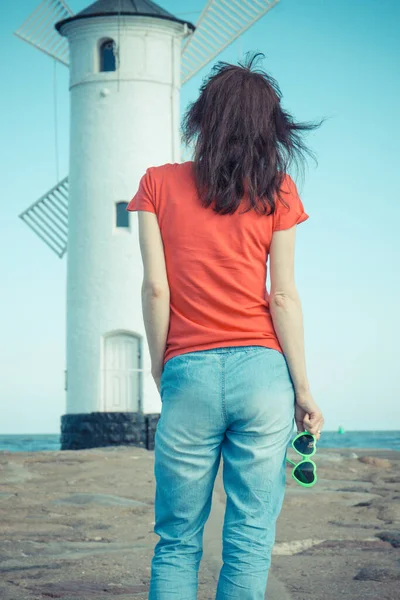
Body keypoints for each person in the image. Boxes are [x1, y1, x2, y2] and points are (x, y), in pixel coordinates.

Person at [127, 51, 325, 600]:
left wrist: (163, 366)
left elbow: (155, 288)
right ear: (269, 127)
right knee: (251, 533)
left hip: (186, 370)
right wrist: (303, 390)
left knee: (177, 539)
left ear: (203, 117)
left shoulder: (155, 184)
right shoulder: (278, 189)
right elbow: (282, 294)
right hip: (263, 373)